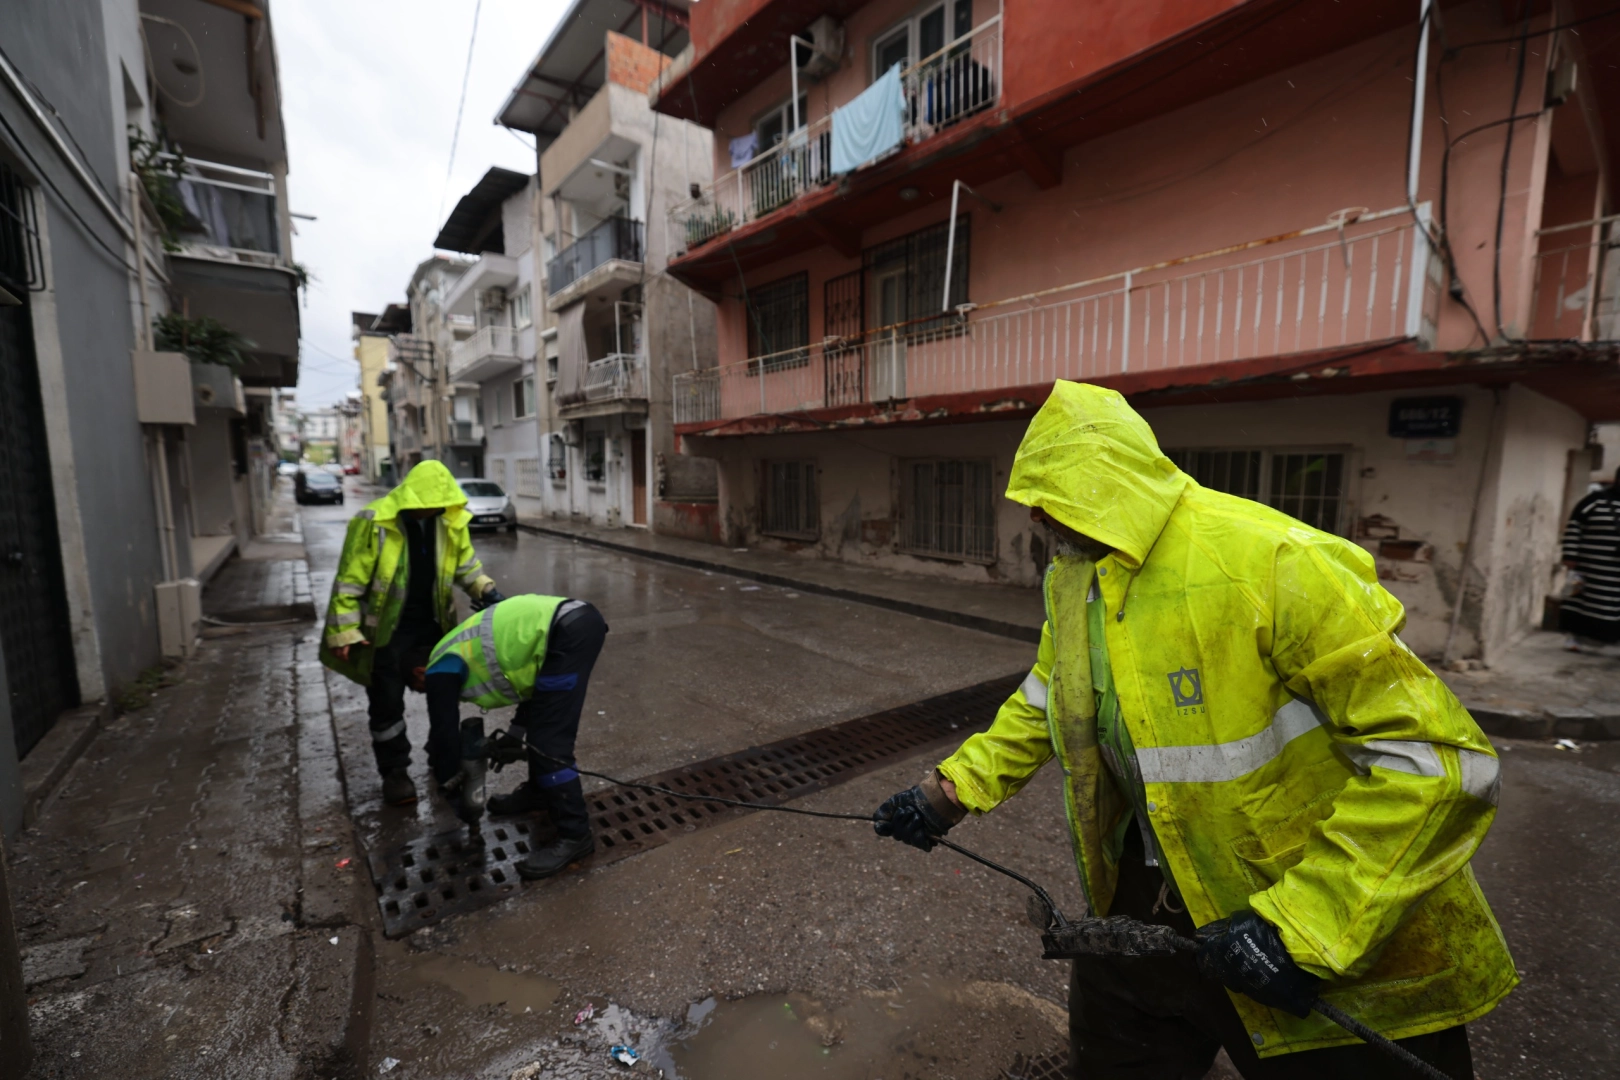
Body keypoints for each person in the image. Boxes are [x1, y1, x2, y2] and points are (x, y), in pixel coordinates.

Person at [873, 382, 1514, 1079]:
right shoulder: (1076, 577)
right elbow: (1049, 699)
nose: (1036, 515)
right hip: (1143, 903)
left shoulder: (1274, 561)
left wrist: (1301, 928)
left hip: (1315, 915)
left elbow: (1442, 765)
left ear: (1108, 487)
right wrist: (948, 793)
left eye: (1051, 497)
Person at [320, 460, 503, 806]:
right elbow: (349, 581)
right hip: (385, 634)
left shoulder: (448, 522)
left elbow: (465, 567)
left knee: (442, 692)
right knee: (387, 702)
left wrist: (486, 590)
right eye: (425, 505)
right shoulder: (373, 522)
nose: (430, 510)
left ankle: (442, 759)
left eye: (436, 505)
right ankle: (395, 772)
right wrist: (343, 631)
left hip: (433, 626)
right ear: (410, 498)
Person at [411, 593, 608, 879]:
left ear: (419, 671)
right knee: (542, 728)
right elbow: (534, 691)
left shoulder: (439, 667)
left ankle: (576, 835)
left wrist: (458, 797)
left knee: (549, 742)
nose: (424, 691)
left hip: (568, 632)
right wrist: (514, 735)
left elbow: (444, 735)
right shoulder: (457, 649)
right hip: (571, 625)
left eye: (418, 687)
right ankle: (540, 793)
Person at [1559, 468, 1620, 650]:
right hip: (1590, 567)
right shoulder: (1594, 500)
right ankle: (1574, 638)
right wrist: (1570, 556)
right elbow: (1574, 525)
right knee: (1579, 601)